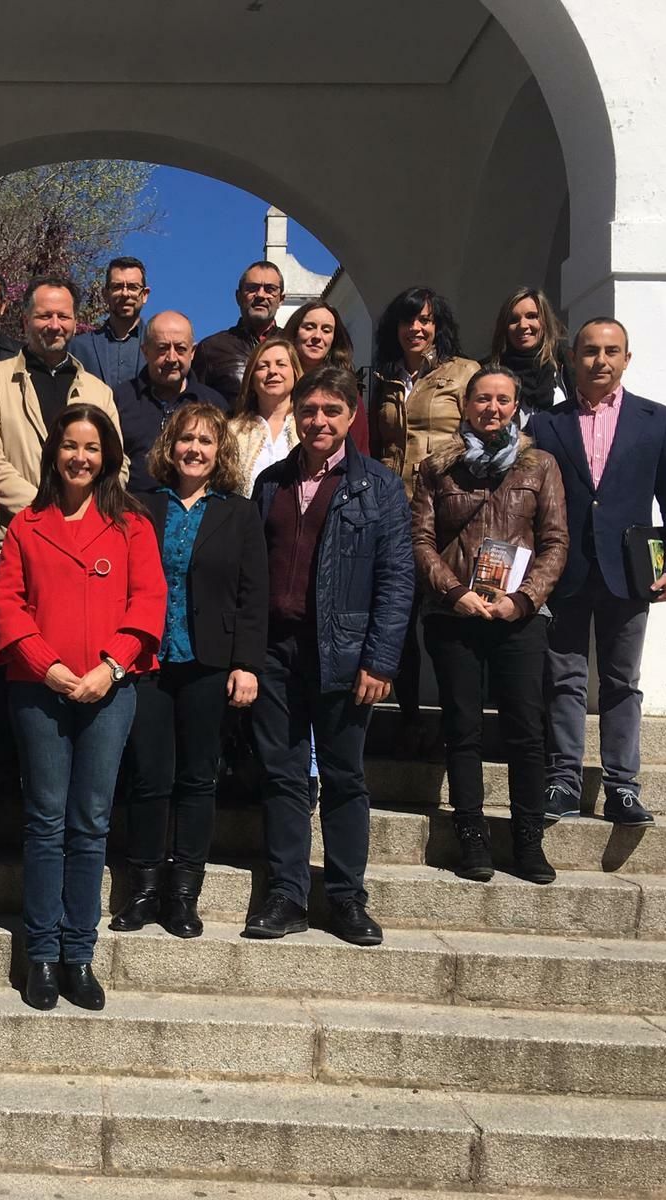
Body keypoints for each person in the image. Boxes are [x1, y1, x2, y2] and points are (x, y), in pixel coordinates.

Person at [0, 404, 165, 1010]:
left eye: (92, 448)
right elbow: (8, 604)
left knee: (90, 823)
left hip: (108, 690)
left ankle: (78, 953)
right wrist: (51, 667)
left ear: (109, 456)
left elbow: (148, 601)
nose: (80, 458)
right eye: (70, 445)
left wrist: (108, 667)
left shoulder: (132, 525)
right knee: (44, 819)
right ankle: (41, 953)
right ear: (53, 452)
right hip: (40, 689)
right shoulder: (26, 525)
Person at [246, 365, 412, 946]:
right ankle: (287, 894)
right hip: (276, 651)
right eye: (309, 409)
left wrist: (381, 659)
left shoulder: (380, 487)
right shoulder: (270, 482)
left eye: (331, 411)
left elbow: (396, 578)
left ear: (350, 416)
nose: (319, 420)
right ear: (295, 412)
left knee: (343, 777)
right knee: (284, 776)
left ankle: (345, 897)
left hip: (345, 652)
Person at [530, 318, 666, 826]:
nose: (600, 360)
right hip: (567, 570)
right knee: (565, 679)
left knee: (622, 681)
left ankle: (622, 786)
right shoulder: (545, 425)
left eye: (611, 351)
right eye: (589, 351)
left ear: (627, 358)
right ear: (571, 359)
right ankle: (563, 779)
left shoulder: (657, 420)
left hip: (631, 571)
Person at [110, 402, 267, 937]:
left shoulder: (239, 513)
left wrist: (246, 663)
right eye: (185, 439)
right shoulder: (141, 506)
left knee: (198, 778)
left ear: (220, 451)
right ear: (169, 448)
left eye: (206, 441)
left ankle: (183, 895)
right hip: (149, 660)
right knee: (149, 778)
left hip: (209, 661)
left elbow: (252, 594)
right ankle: (145, 888)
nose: (195, 450)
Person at [412, 365, 569, 883]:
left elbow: (555, 541)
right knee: (463, 728)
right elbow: (420, 541)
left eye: (502, 400)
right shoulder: (438, 469)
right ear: (467, 407)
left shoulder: (539, 464)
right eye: (482, 399)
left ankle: (528, 837)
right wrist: (455, 593)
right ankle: (472, 835)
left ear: (516, 405)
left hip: (518, 618)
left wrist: (522, 600)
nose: (492, 409)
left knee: (526, 729)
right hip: (455, 614)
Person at [369, 287, 480, 751]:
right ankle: (410, 717)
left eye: (427, 320)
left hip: (446, 513)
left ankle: (460, 729)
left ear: (438, 326)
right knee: (399, 618)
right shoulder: (384, 378)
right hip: (395, 511)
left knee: (446, 621)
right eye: (408, 321)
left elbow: (481, 436)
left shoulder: (463, 373)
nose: (417, 328)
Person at [0, 275, 125, 555]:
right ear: (25, 319)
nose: (55, 325)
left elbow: (117, 463)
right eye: (45, 316)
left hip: (83, 542)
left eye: (63, 316)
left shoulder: (98, 391)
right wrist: (47, 510)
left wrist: (81, 514)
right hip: (11, 540)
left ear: (75, 322)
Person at [109, 311, 229, 493]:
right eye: (162, 348)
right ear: (145, 351)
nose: (171, 358)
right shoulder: (119, 400)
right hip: (131, 513)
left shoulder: (214, 404)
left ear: (193, 352)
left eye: (180, 349)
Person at [283, 300, 368, 454]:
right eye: (309, 328)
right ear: (295, 332)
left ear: (334, 340)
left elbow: (359, 451)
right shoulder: (277, 387)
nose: (317, 336)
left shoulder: (346, 392)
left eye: (326, 330)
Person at [194, 261, 287, 397]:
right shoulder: (211, 349)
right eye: (252, 288)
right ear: (238, 297)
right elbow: (196, 408)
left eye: (270, 289)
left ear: (281, 299)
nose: (260, 295)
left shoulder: (293, 344)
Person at [227, 336, 300, 496]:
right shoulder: (232, 432)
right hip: (246, 520)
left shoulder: (308, 427)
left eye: (281, 364)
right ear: (252, 379)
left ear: (295, 373)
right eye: (263, 366)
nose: (272, 371)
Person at [487, 286, 574, 421]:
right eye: (513, 319)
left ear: (545, 321)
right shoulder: (491, 371)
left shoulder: (566, 364)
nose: (523, 325)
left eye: (532, 316)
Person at [67, 256, 150, 385]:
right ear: (105, 295)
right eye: (117, 287)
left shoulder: (159, 348)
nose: (125, 294)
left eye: (133, 287)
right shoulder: (78, 348)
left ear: (144, 295)